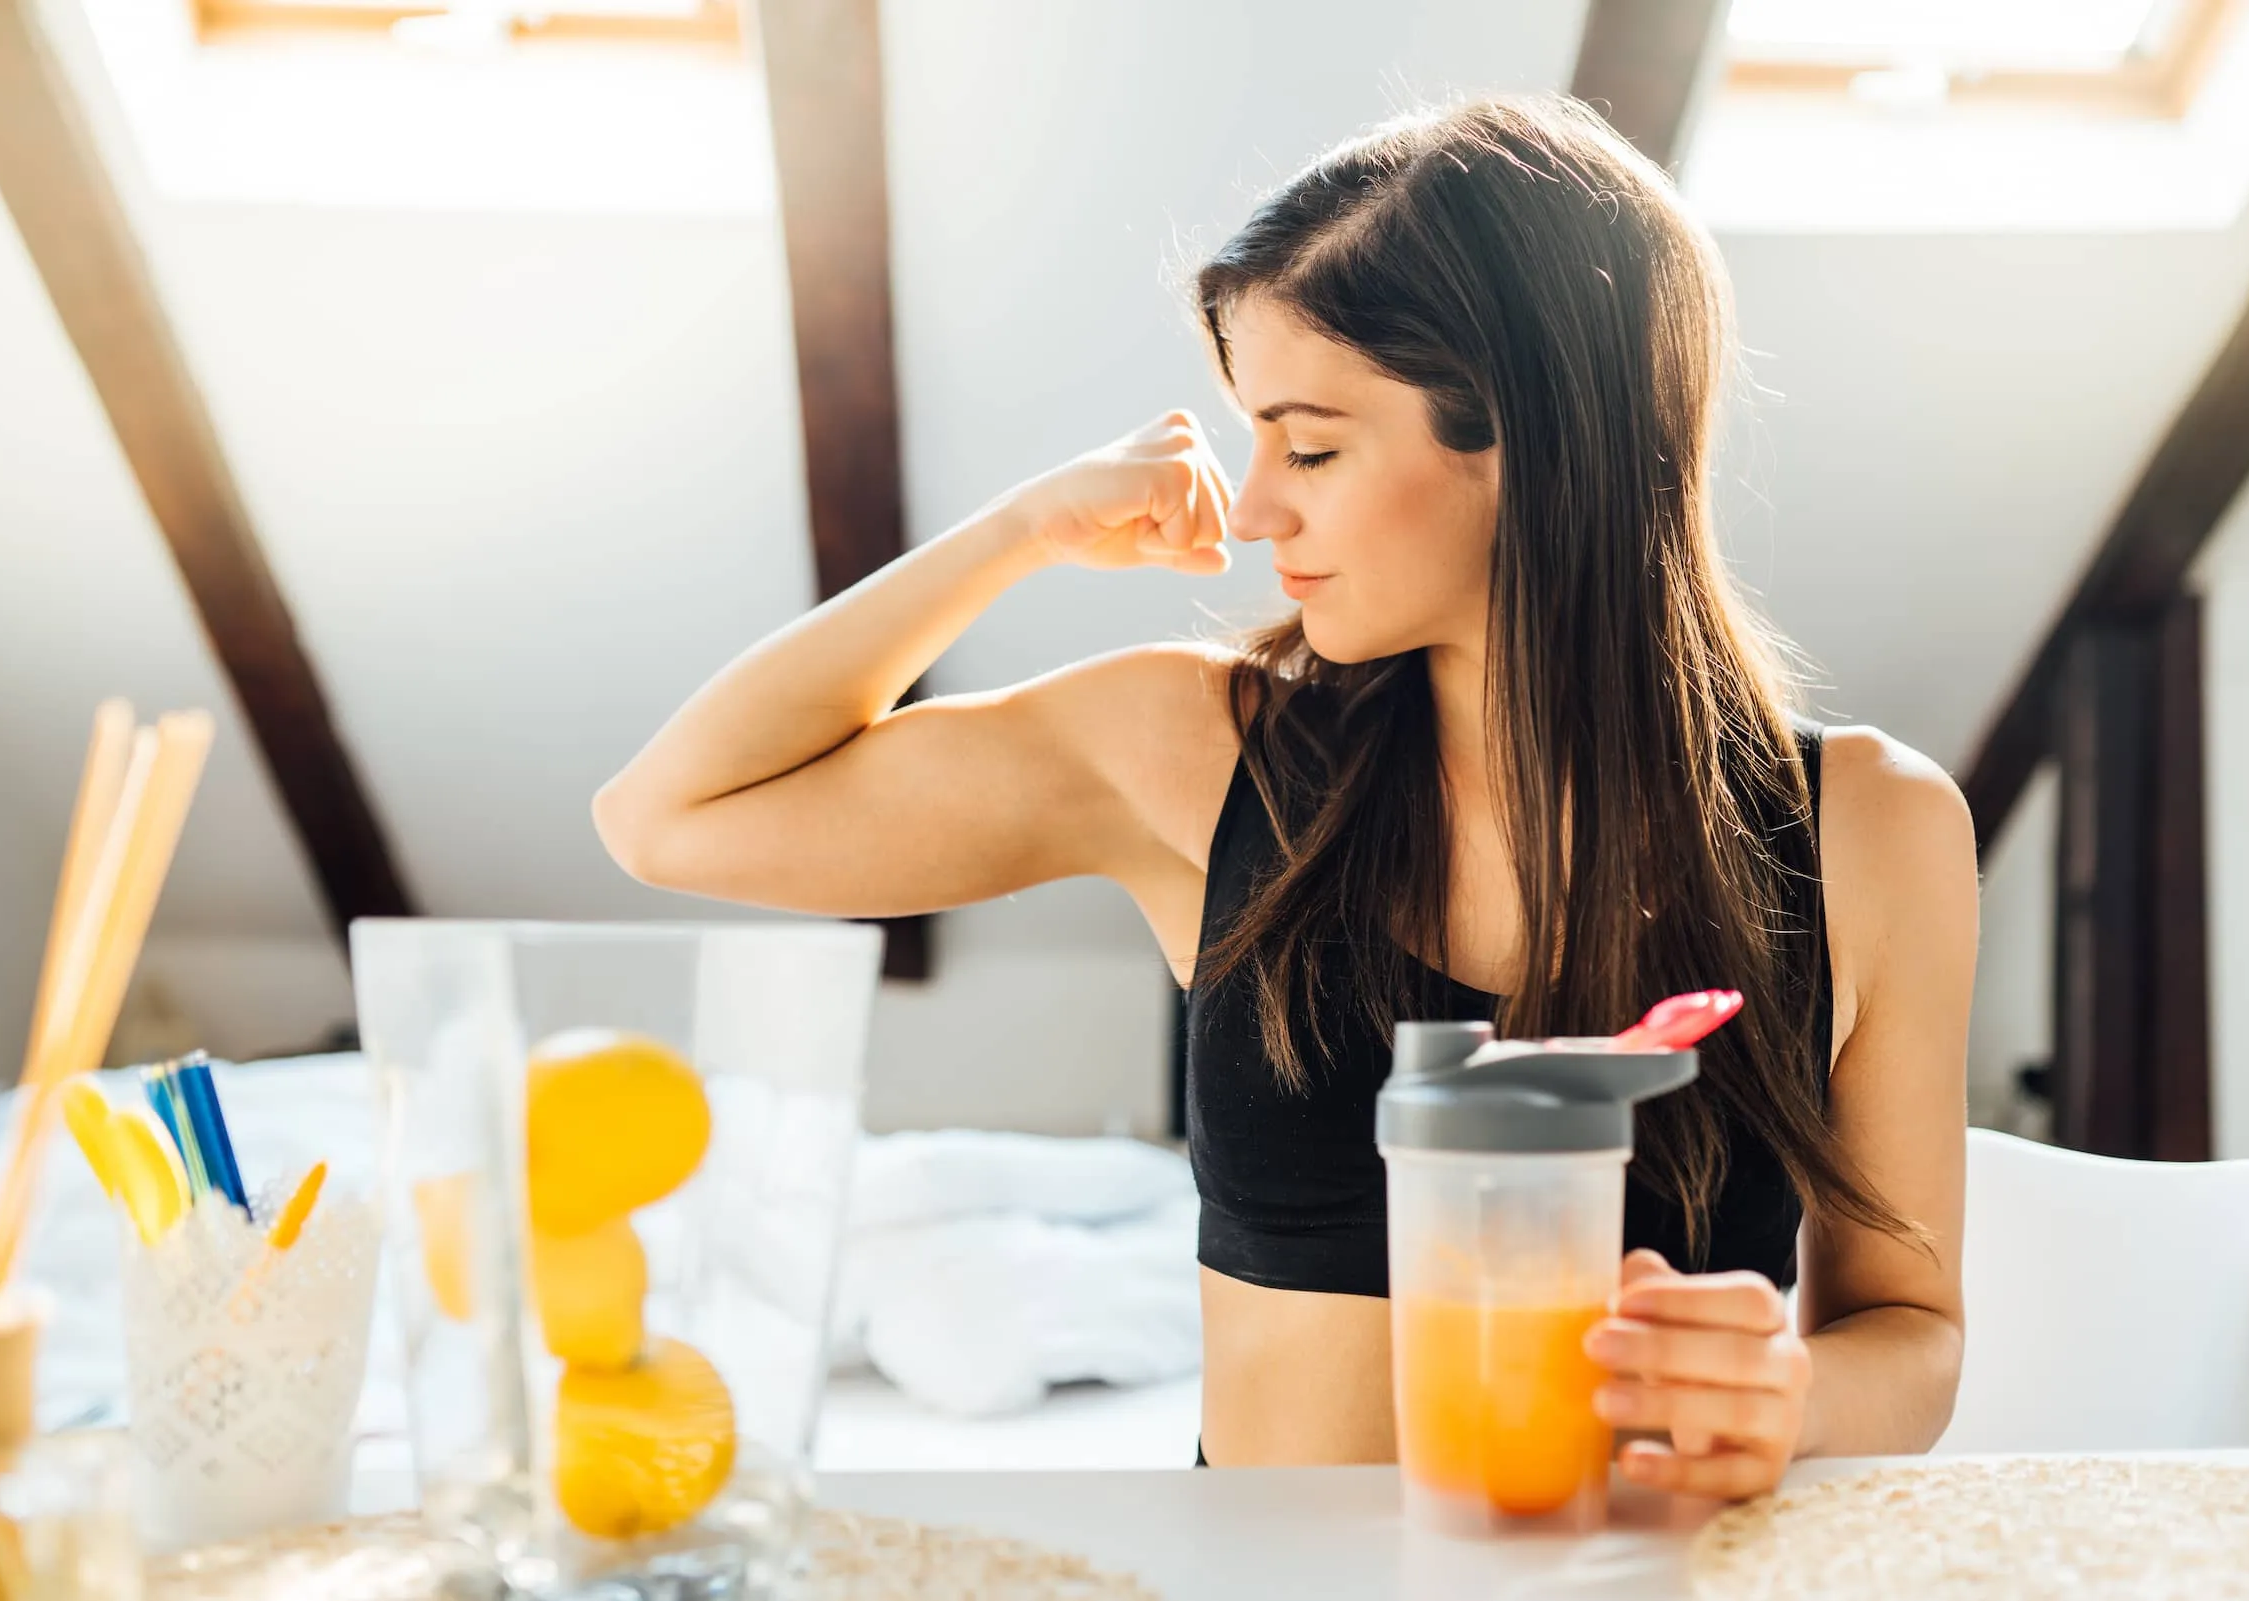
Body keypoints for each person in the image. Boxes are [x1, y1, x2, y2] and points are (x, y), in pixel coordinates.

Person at [594, 94, 1974, 1498]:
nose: (1253, 510)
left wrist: (1790, 1394)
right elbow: (673, 818)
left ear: (1537, 439)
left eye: (1309, 447)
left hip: (1638, 1577)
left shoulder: (1870, 828)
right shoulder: (1193, 752)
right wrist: (1020, 533)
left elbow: (1910, 1332)